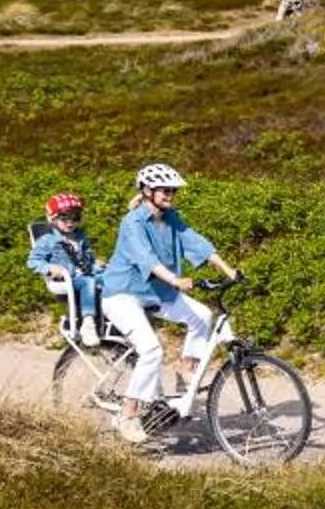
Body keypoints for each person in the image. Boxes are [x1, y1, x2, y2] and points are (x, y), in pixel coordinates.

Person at [99, 162, 240, 444]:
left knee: (201, 315)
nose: (170, 195)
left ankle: (186, 365)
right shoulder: (133, 223)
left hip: (154, 291)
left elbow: (197, 242)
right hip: (122, 294)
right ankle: (128, 413)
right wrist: (175, 281)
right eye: (165, 190)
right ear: (148, 190)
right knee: (151, 350)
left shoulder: (171, 217)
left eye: (173, 190)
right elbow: (146, 259)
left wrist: (229, 271)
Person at [28, 191, 101, 338]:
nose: (70, 222)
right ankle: (88, 323)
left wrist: (95, 261)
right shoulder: (47, 240)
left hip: (86, 272)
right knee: (88, 282)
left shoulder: (80, 235)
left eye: (75, 218)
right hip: (69, 278)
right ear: (52, 218)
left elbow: (87, 254)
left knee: (113, 277)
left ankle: (111, 320)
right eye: (64, 218)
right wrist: (50, 268)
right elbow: (33, 262)